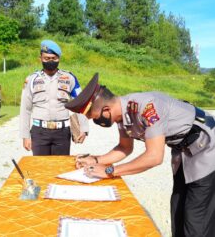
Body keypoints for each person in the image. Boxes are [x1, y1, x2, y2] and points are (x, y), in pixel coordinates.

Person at [65, 73, 215, 237]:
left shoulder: (148, 108)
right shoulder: (122, 115)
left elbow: (155, 156)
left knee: (196, 217)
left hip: (207, 149)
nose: (96, 123)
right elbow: (124, 148)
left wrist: (110, 171)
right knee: (178, 208)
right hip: (184, 152)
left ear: (106, 110)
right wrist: (95, 160)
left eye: (94, 118)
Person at [20, 40, 89, 156]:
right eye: (47, 58)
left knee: (61, 168)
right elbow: (25, 109)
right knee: (41, 169)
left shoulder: (69, 78)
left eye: (54, 58)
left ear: (59, 59)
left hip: (62, 132)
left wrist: (84, 128)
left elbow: (81, 103)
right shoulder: (31, 80)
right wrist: (25, 135)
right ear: (40, 58)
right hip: (39, 132)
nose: (50, 61)